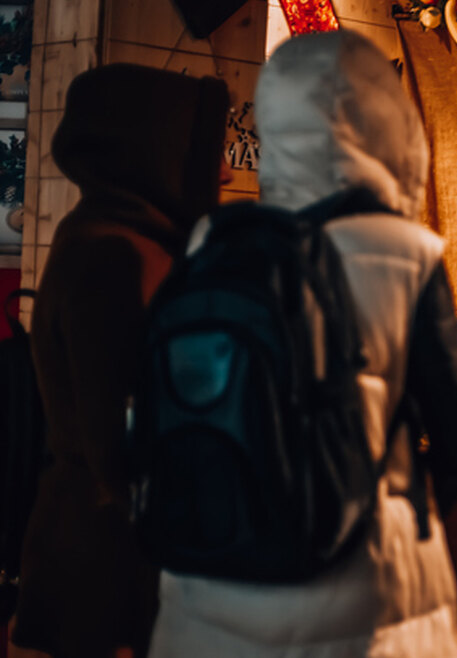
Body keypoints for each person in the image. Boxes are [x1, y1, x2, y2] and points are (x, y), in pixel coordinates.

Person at [147, 30, 457, 657]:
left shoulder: (212, 243)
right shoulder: (405, 253)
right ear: (392, 126)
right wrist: (396, 517)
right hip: (359, 601)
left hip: (206, 579)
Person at [12, 65, 229, 656]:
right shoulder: (115, 254)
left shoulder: (115, 240)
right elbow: (124, 437)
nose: (227, 171)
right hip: (109, 570)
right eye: (206, 154)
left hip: (105, 551)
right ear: (155, 152)